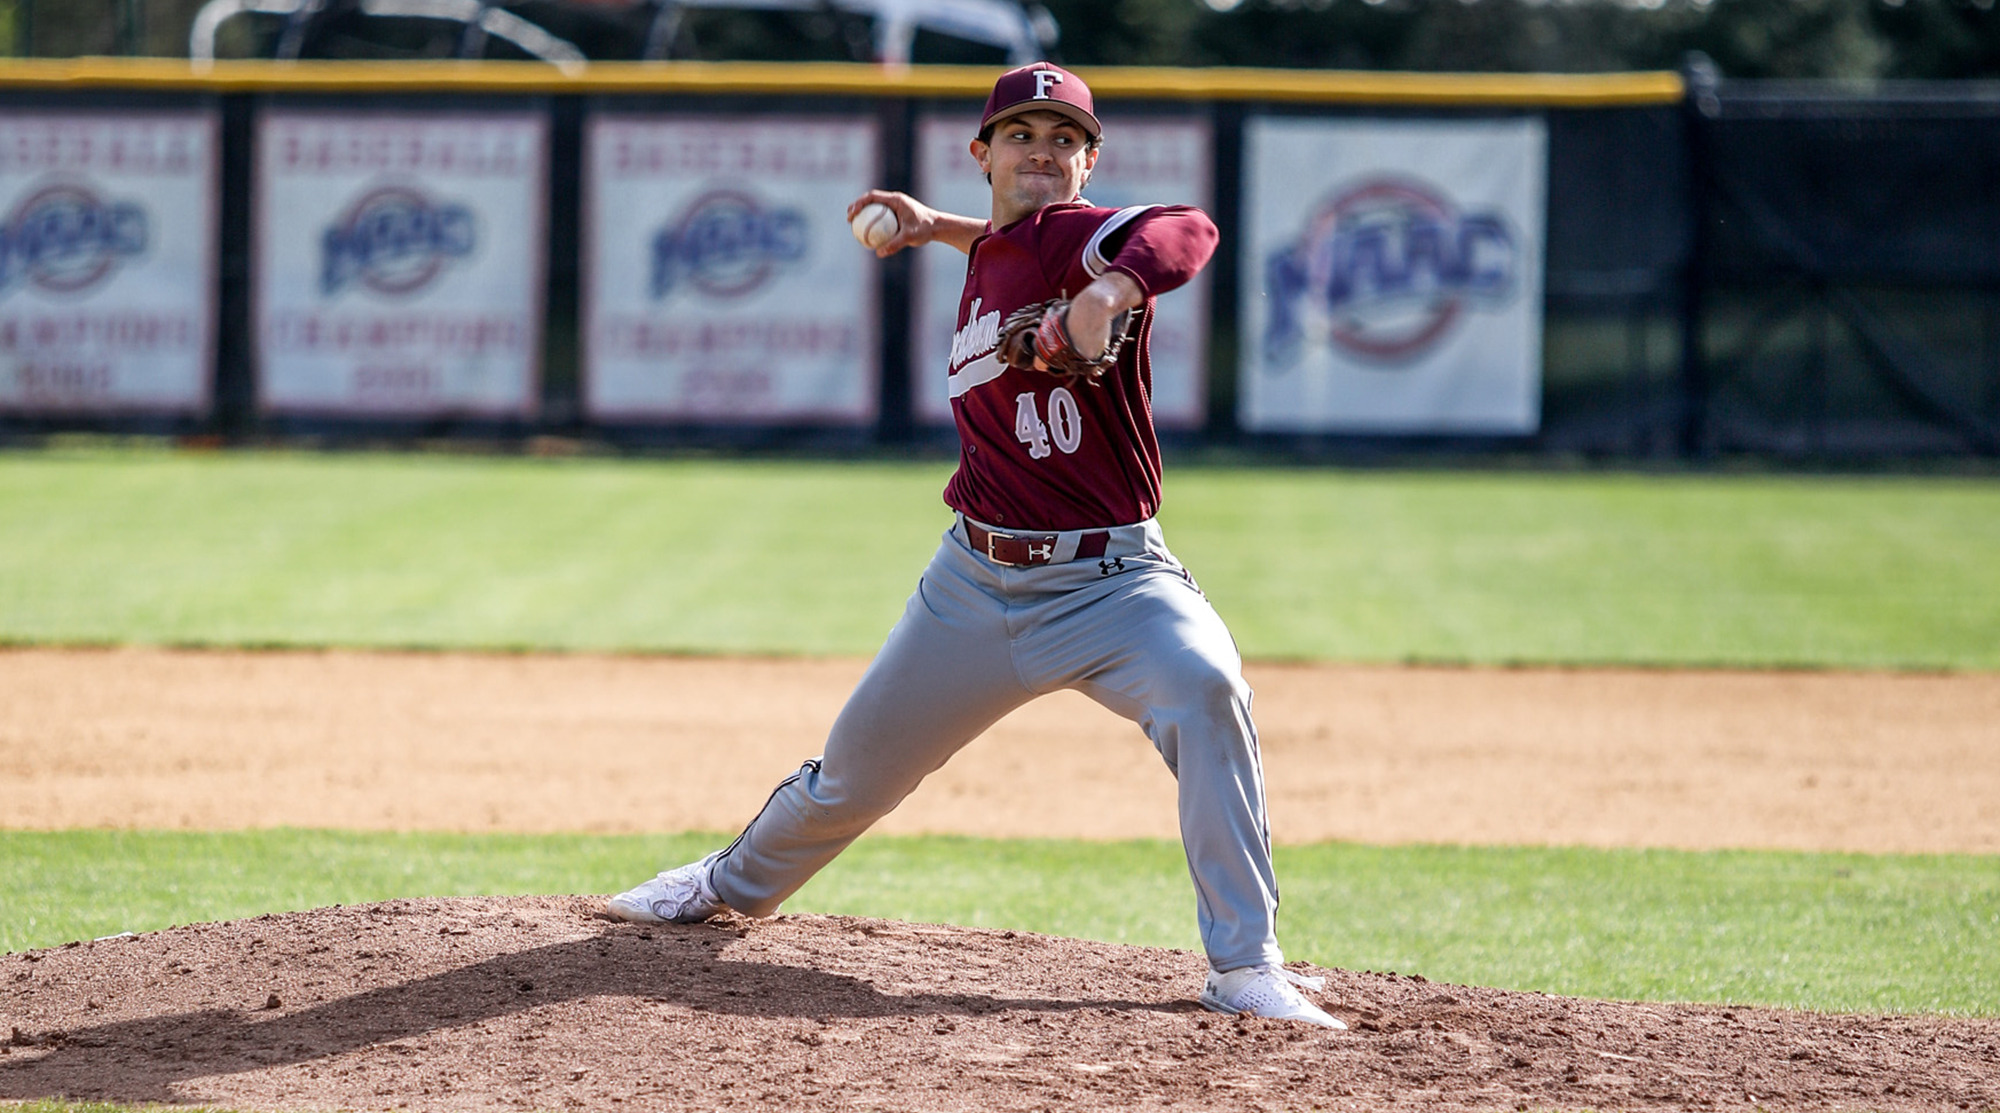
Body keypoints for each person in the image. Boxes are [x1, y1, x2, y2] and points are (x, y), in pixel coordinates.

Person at [606, 61, 1343, 1030]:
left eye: (1064, 140)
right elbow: (1002, 247)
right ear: (982, 153)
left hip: (1110, 581)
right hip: (971, 579)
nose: (1043, 152)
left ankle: (1243, 965)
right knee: (850, 778)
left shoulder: (1078, 238)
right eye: (1022, 135)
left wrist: (1107, 291)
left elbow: (1188, 230)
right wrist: (930, 225)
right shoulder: (997, 249)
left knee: (1205, 687)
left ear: (1087, 163)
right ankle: (727, 883)